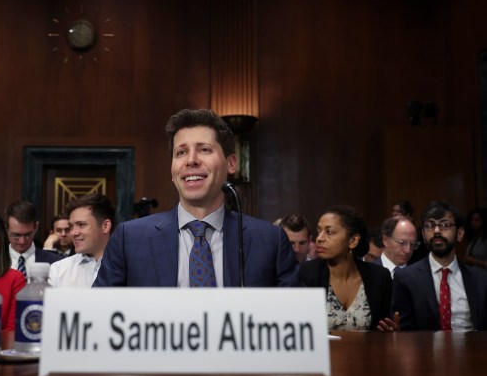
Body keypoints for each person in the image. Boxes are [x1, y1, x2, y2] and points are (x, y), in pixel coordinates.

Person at [94, 108, 298, 287]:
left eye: (204, 150)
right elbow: (99, 316)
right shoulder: (128, 239)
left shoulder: (270, 241)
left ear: (231, 163)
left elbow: (296, 320)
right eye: (181, 152)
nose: (191, 160)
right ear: (172, 170)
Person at [392, 201, 487, 331]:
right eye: (430, 225)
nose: (436, 231)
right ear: (424, 235)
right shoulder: (406, 278)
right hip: (426, 350)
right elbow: (405, 331)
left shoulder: (480, 279)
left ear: (460, 234)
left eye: (445, 225)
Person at [298, 205, 396, 331]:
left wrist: (393, 334)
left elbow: (385, 329)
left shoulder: (379, 277)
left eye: (329, 232)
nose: (319, 238)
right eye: (319, 231)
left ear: (353, 240)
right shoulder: (305, 273)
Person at [48, 194, 114, 287]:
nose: (73, 233)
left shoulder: (129, 267)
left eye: (81, 225)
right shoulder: (58, 270)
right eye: (71, 226)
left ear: (105, 226)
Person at [4, 200, 64, 282]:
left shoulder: (56, 263)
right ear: (6, 229)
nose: (22, 241)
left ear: (36, 227)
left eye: (27, 235)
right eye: (16, 235)